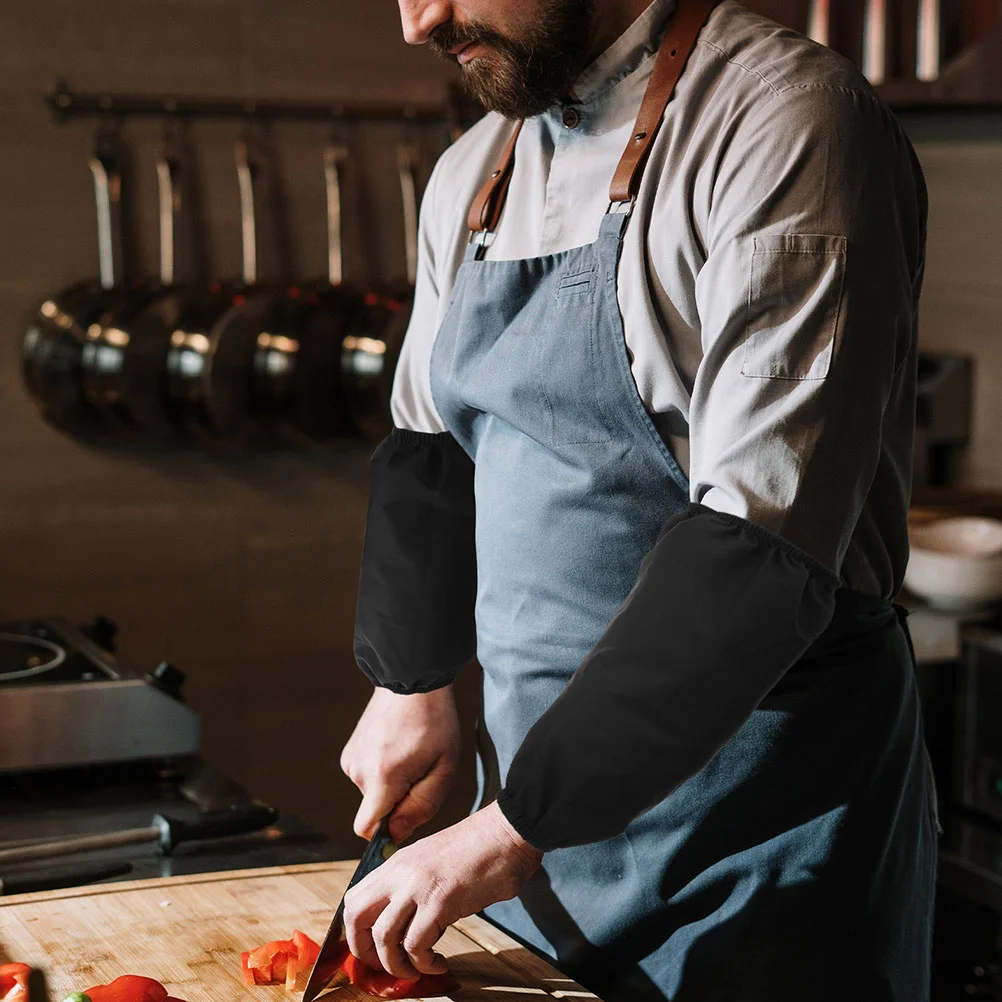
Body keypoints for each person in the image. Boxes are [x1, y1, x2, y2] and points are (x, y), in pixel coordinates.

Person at [339, 1, 937, 999]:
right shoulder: (473, 171)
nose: (419, 22)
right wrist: (411, 685)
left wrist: (513, 826)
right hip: (534, 855)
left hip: (755, 854)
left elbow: (758, 550)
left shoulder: (786, 119)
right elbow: (430, 454)